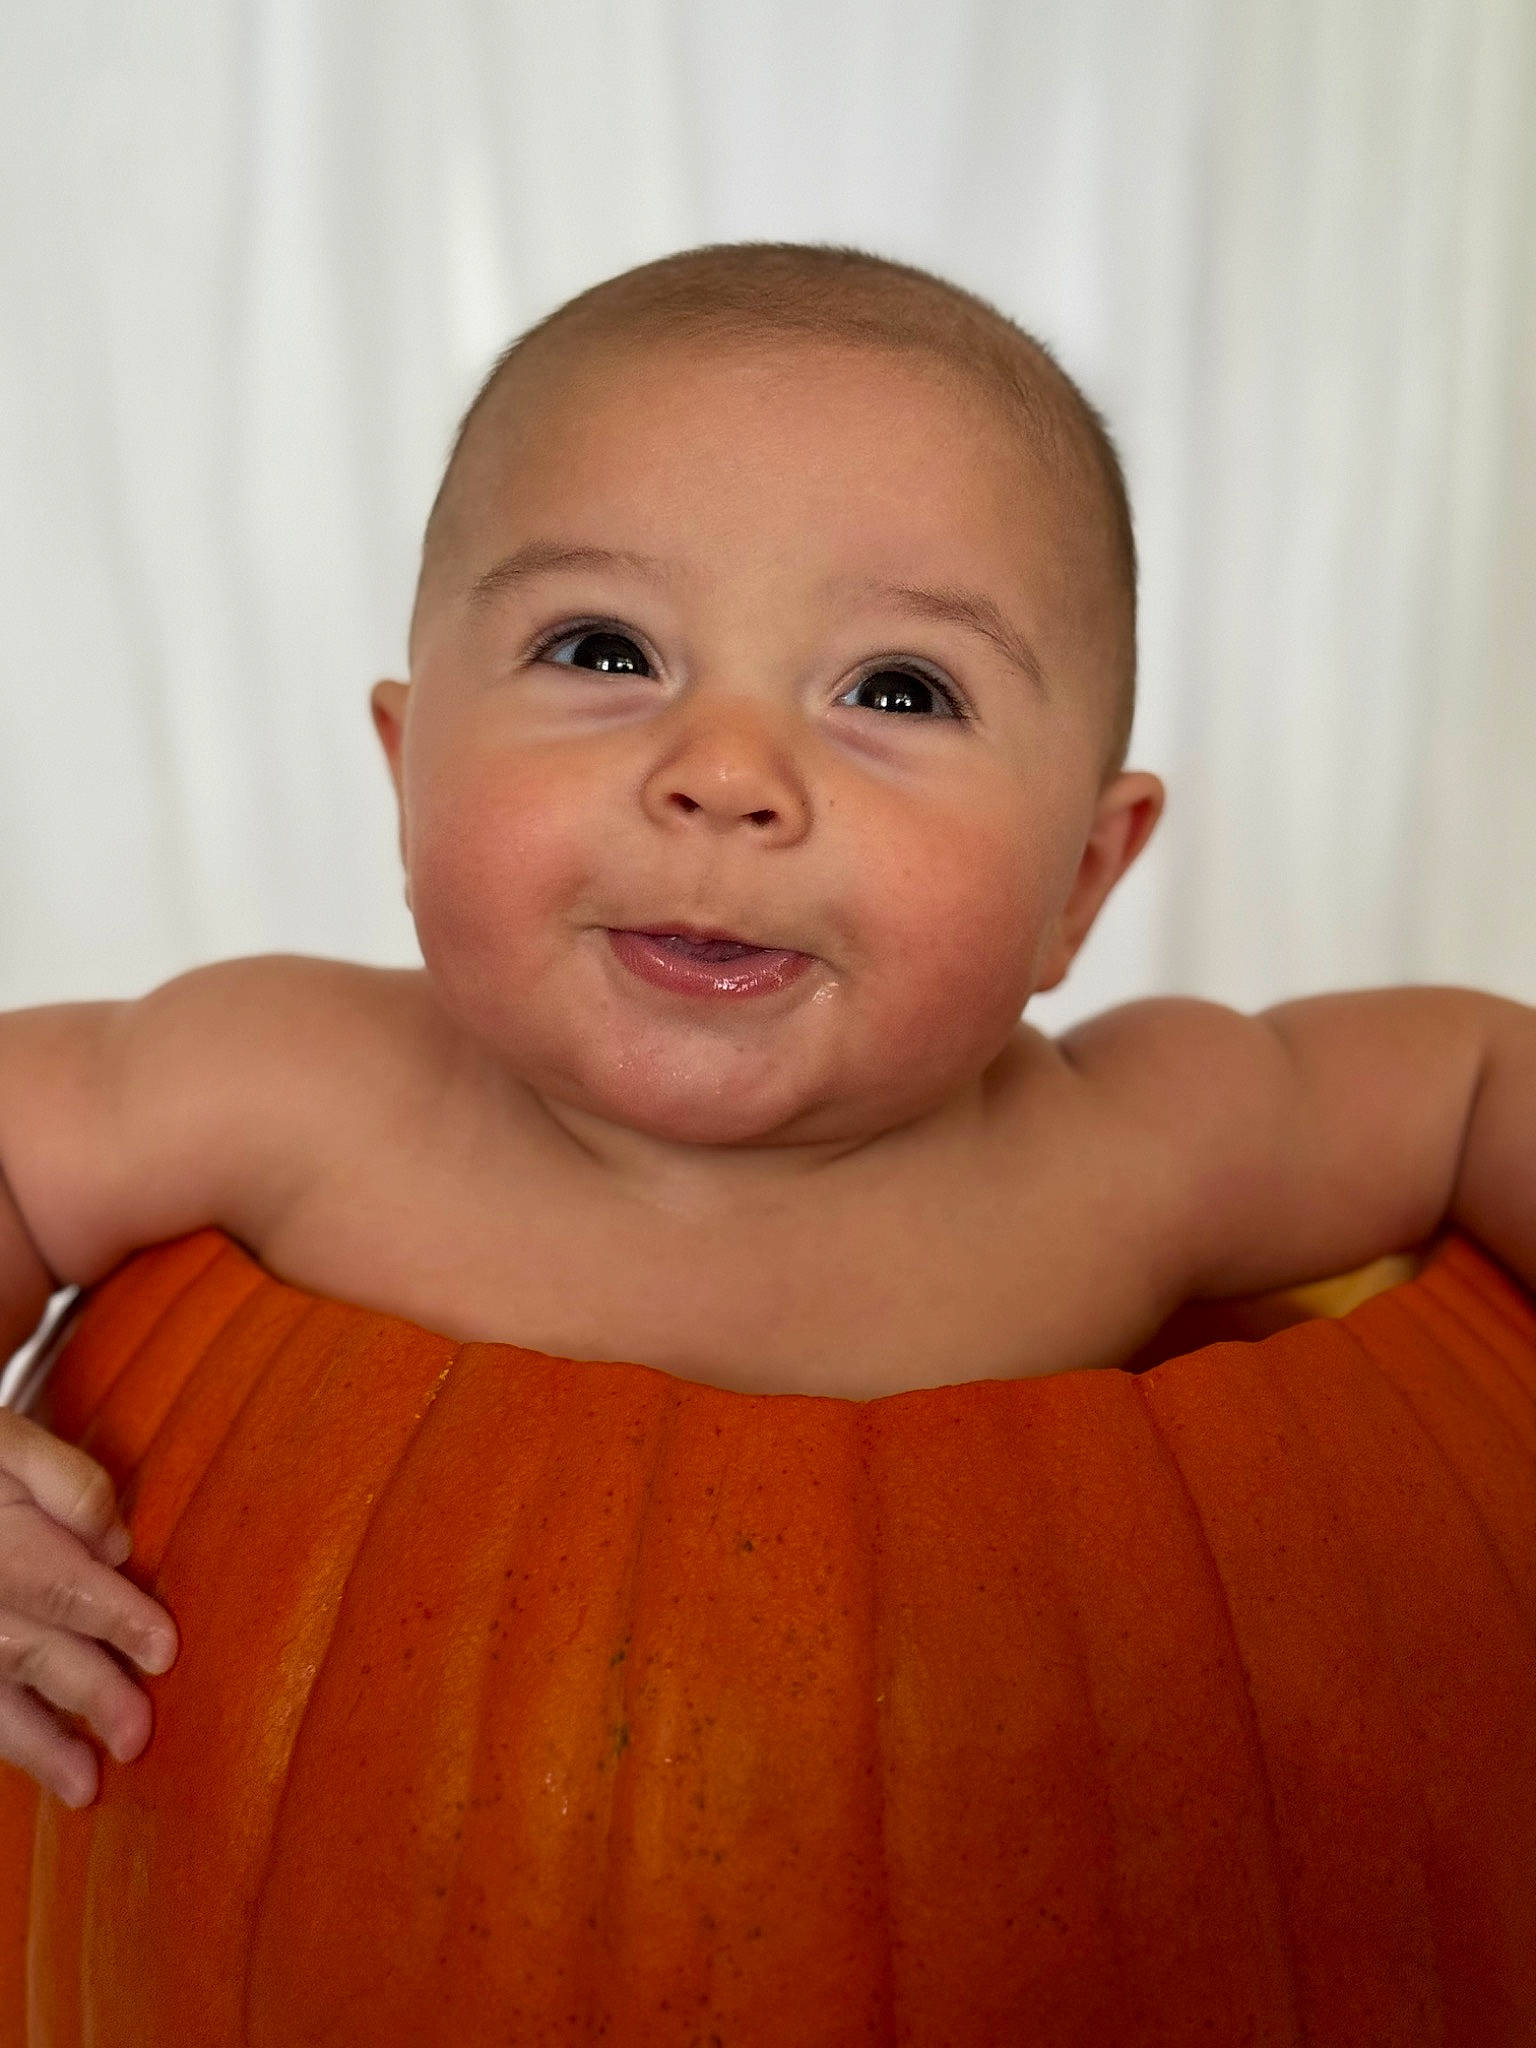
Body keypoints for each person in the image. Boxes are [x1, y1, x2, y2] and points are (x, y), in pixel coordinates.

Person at [0, 243, 1531, 1811]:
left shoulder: (1128, 1159)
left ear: (1079, 879)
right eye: (605, 651)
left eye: (899, 688)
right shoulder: (290, 1092)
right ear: (410, 771)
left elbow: (1482, 1085)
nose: (726, 769)